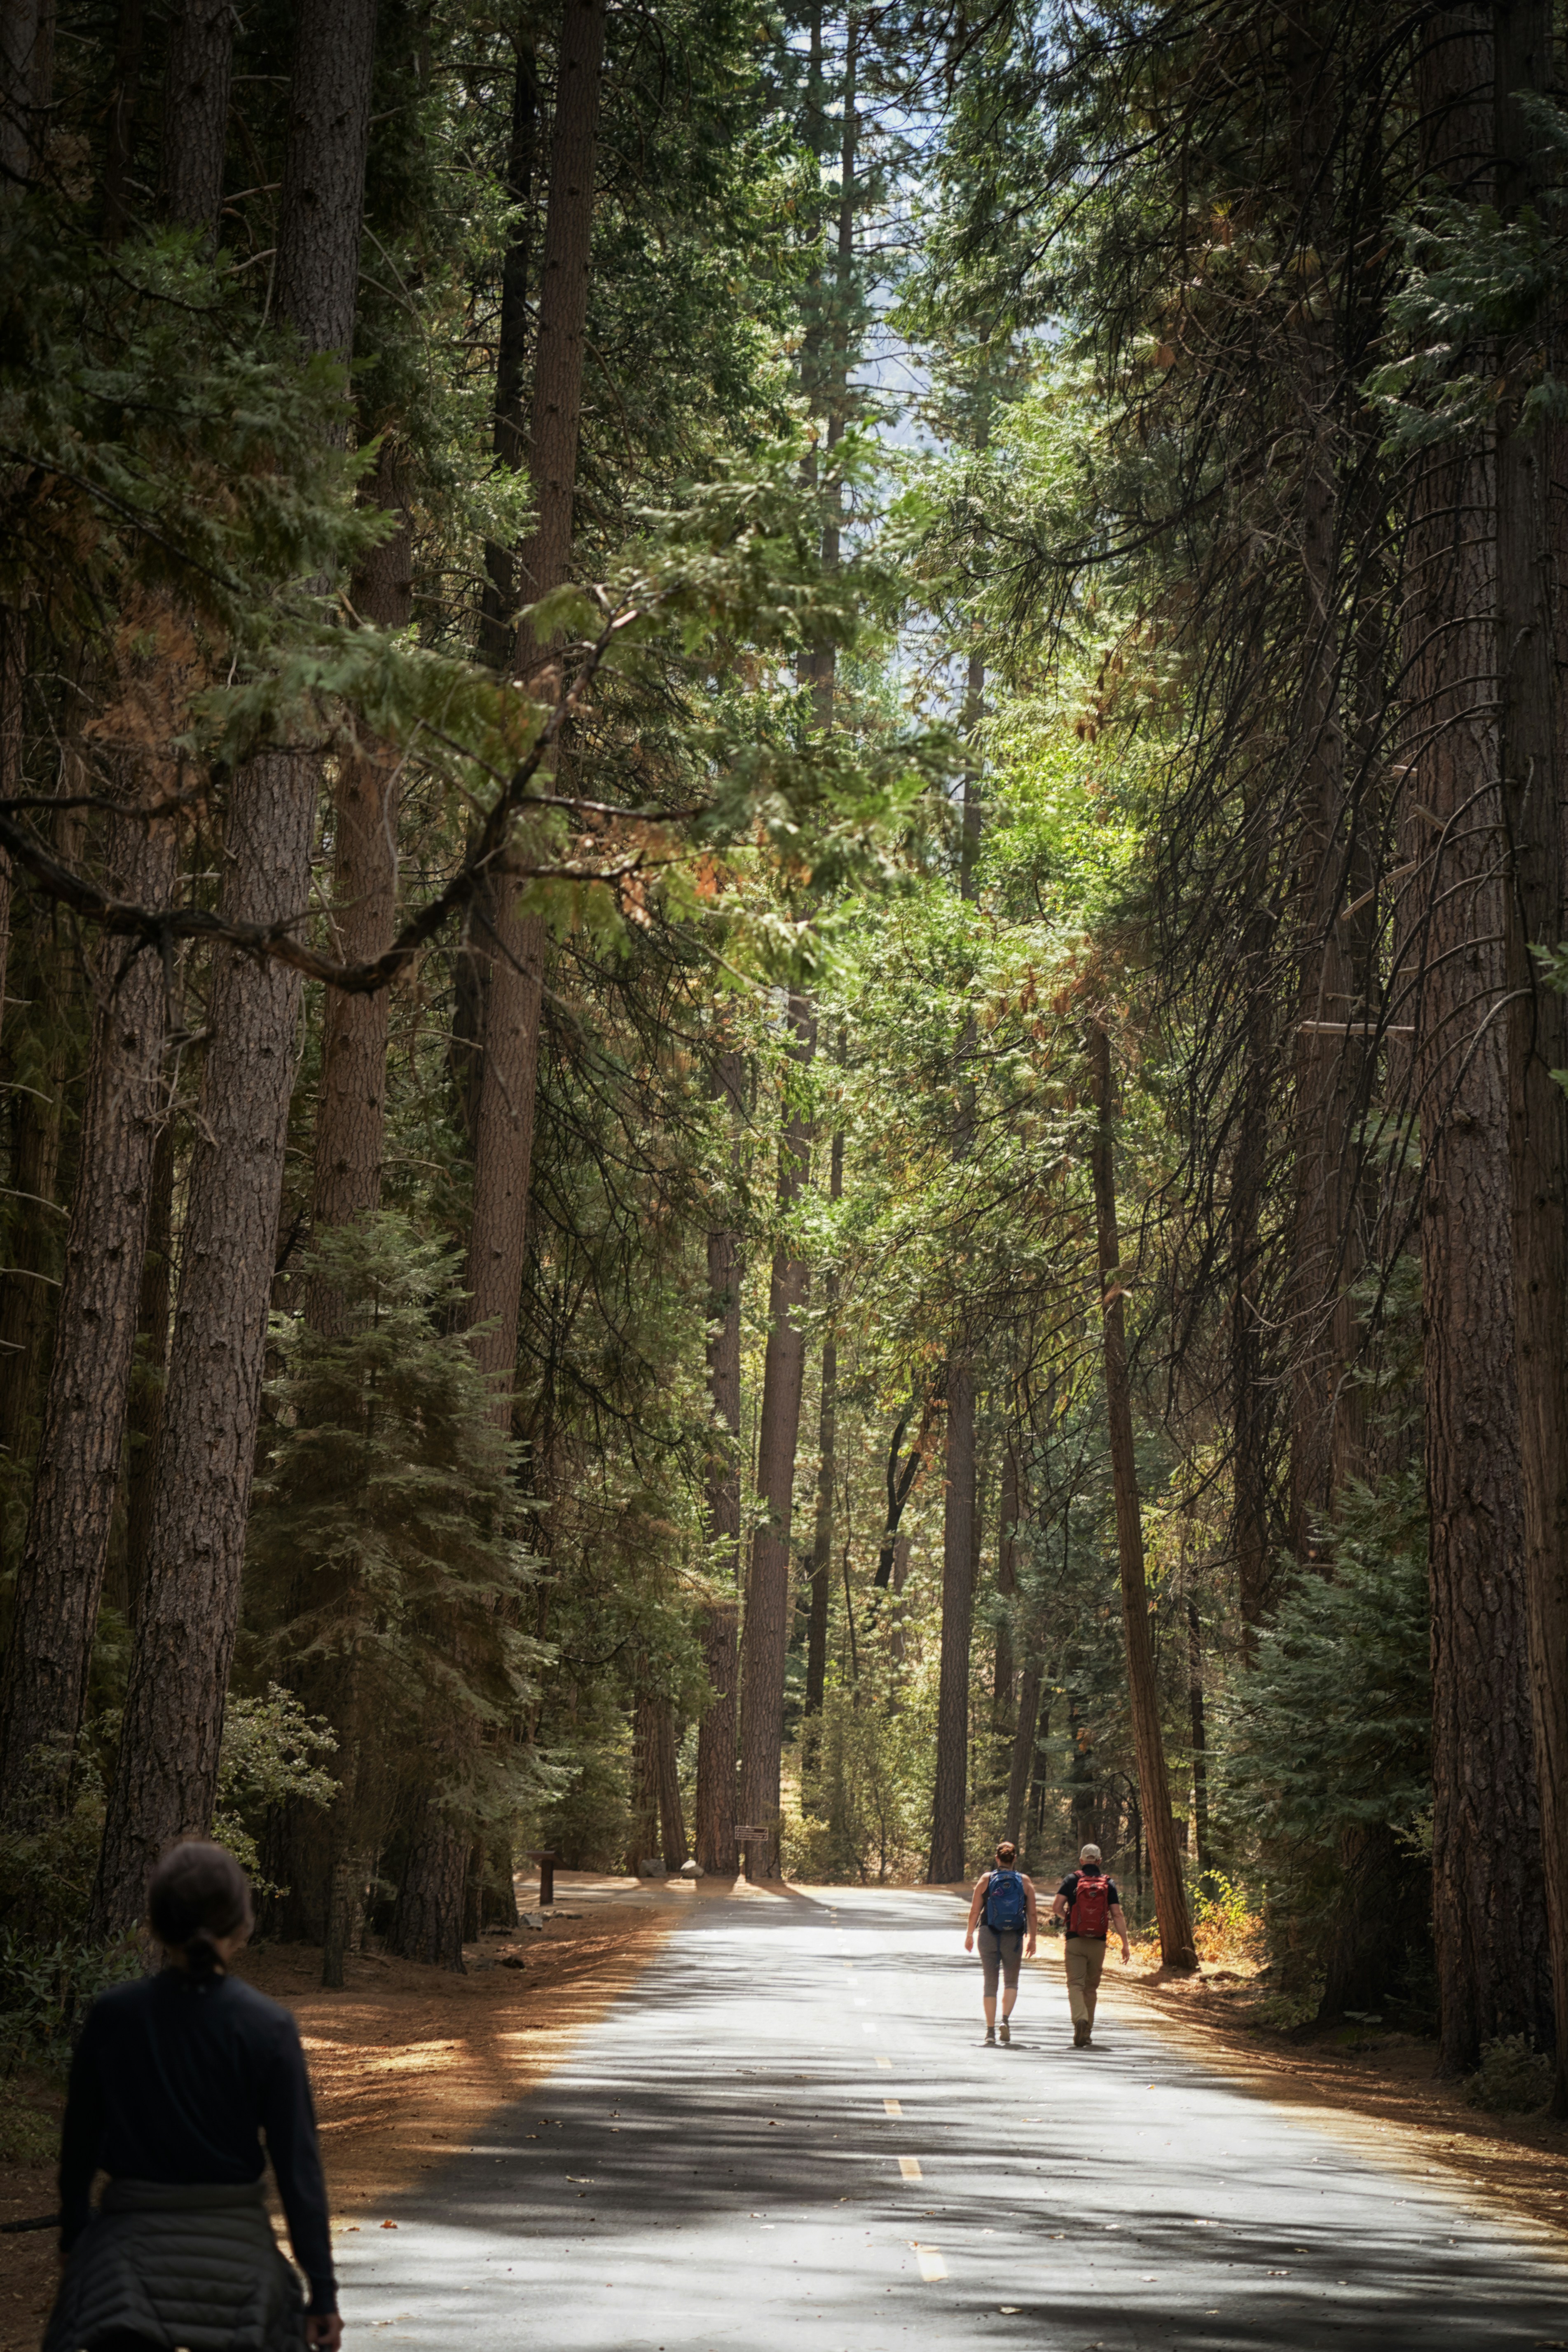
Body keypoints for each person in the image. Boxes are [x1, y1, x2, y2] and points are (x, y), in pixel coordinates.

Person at [48, 1841, 341, 2352]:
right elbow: (299, 2168)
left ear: (157, 1925)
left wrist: (76, 2236)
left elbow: (80, 2143)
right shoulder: (268, 2026)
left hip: (124, 2261)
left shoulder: (114, 2015)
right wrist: (322, 2290)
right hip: (240, 2265)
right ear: (243, 1925)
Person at [1051, 1841, 1130, 2047]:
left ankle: (1080, 2019)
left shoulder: (1072, 1880)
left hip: (1075, 1939)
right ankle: (1086, 2033)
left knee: (1076, 1984)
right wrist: (1125, 1944)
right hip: (1099, 1943)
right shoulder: (1108, 1883)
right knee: (1091, 1988)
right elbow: (1117, 1915)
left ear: (1081, 1861)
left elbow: (1056, 1906)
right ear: (1100, 1861)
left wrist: (1069, 1917)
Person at [963, 1839, 1038, 2045]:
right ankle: (1004, 2020)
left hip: (988, 1933)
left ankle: (989, 2032)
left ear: (997, 1858)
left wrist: (970, 1934)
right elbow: (1032, 1913)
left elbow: (974, 1911)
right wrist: (1033, 1938)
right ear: (1015, 1859)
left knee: (990, 1983)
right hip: (1013, 1936)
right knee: (1011, 1982)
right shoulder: (1024, 1881)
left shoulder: (986, 1879)